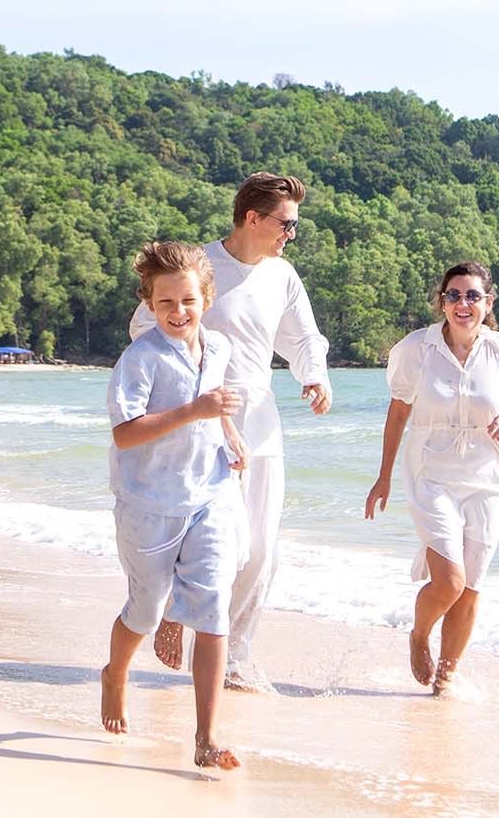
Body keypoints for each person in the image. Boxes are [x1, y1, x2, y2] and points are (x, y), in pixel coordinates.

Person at [129, 172, 332, 693]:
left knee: (261, 549)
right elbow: (142, 325)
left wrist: (314, 375)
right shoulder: (198, 267)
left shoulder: (283, 275)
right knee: (220, 541)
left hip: (260, 418)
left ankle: (236, 654)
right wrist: (189, 383)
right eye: (286, 224)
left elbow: (303, 336)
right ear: (252, 219)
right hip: (201, 419)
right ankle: (183, 615)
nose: (292, 233)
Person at [101, 241, 248, 769]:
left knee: (214, 606)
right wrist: (197, 411)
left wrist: (228, 430)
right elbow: (125, 434)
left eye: (188, 300)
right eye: (166, 303)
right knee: (145, 607)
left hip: (210, 492)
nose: (178, 312)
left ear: (206, 297)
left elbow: (214, 401)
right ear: (150, 302)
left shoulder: (221, 349)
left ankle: (206, 738)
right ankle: (115, 674)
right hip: (148, 503)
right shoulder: (139, 359)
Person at [364, 262, 499, 696]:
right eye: (453, 295)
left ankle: (447, 678)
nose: (462, 304)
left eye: (472, 296)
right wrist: (383, 477)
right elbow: (399, 411)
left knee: (471, 586)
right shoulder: (416, 349)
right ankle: (419, 634)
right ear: (442, 301)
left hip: (487, 478)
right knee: (450, 581)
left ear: (488, 303)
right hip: (430, 472)